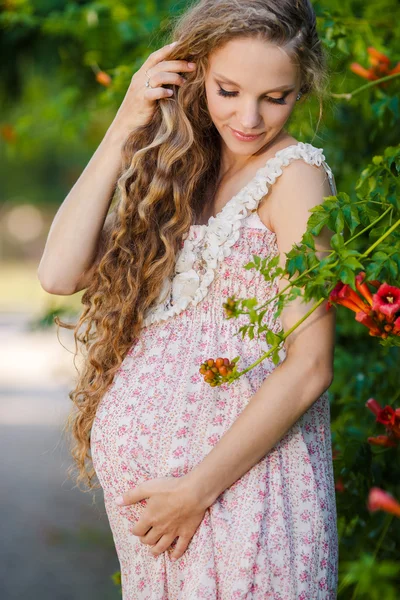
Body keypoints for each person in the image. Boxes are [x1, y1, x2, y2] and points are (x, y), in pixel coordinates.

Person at [38, 0, 339, 597]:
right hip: (167, 522)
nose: (249, 117)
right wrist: (126, 121)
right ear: (194, 75)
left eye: (274, 97)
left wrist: (195, 491)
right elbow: (58, 271)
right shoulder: (182, 177)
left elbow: (310, 367)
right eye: (228, 90)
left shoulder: (295, 176)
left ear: (300, 89)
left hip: (240, 496)